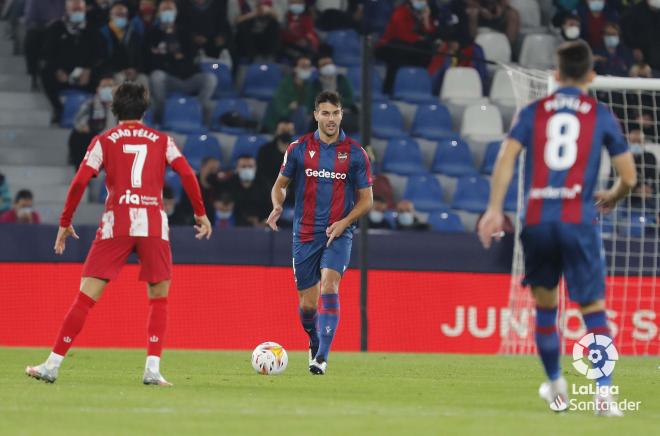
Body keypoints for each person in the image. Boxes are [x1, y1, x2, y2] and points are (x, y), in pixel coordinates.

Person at [478, 40, 637, 416]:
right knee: (593, 309)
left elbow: (506, 159)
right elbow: (629, 176)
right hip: (578, 221)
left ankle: (556, 385)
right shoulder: (600, 115)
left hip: (537, 221)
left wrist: (494, 209)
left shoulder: (534, 110)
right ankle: (604, 395)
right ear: (591, 75)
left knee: (545, 308)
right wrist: (613, 195)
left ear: (555, 74)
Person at [25, 81, 212, 386]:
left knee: (86, 297)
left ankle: (52, 364)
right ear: (145, 109)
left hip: (118, 222)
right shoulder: (162, 140)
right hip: (152, 222)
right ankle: (152, 369)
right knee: (158, 297)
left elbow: (79, 181)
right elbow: (188, 173)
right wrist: (200, 213)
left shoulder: (104, 140)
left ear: (114, 109)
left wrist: (65, 220)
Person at [266, 91, 373, 375]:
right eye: (325, 113)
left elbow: (367, 200)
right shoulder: (298, 148)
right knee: (308, 306)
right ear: (315, 115)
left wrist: (345, 221)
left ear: (341, 115)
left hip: (339, 232)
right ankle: (314, 340)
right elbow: (281, 184)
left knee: (330, 285)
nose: (330, 119)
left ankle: (321, 358)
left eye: (335, 113)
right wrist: (278, 204)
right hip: (304, 234)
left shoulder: (355, 153)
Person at [145, 0, 218, 124]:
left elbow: (191, 57)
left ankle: (195, 110)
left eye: (170, 9)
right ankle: (164, 114)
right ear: (158, 13)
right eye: (164, 10)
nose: (167, 12)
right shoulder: (152, 34)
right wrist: (175, 57)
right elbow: (152, 60)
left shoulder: (185, 32)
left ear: (176, 12)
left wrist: (172, 58)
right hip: (168, 78)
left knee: (210, 78)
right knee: (156, 76)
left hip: (187, 77)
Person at [40, 0, 100, 123]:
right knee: (46, 71)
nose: (77, 10)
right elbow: (47, 53)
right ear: (67, 9)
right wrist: (58, 70)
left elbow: (100, 53)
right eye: (74, 8)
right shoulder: (56, 27)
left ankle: (95, 111)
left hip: (86, 74)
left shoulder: (93, 28)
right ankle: (58, 109)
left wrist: (89, 70)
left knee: (103, 74)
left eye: (80, 8)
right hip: (63, 73)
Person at [68, 75, 117, 169]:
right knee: (77, 136)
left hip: (117, 142)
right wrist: (83, 126)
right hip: (96, 140)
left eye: (110, 86)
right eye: (104, 86)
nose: (107, 89)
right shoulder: (90, 104)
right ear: (98, 89)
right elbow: (79, 122)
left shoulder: (124, 107)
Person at [97, 1, 149, 89]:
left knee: (143, 79)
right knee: (120, 79)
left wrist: (135, 70)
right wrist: (120, 71)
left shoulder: (133, 34)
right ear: (111, 15)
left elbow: (140, 55)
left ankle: (142, 103)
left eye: (123, 15)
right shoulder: (102, 34)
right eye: (117, 14)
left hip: (132, 72)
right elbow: (101, 59)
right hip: (112, 72)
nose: (120, 17)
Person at [262, 55, 315, 133]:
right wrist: (290, 108)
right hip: (279, 122)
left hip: (300, 121)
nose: (307, 69)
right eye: (303, 66)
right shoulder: (285, 84)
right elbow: (279, 109)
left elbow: (310, 106)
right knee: (302, 111)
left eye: (308, 66)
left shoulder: (309, 86)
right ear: (295, 69)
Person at [217, 156, 271, 227]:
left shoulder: (264, 184)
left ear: (255, 168)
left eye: (250, 166)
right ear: (237, 168)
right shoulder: (229, 184)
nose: (247, 169)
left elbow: (271, 206)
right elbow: (225, 207)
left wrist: (264, 221)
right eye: (243, 166)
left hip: (261, 225)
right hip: (235, 226)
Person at [257, 119, 296, 187]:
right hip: (268, 189)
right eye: (283, 131)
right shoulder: (265, 150)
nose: (286, 133)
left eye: (289, 131)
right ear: (276, 131)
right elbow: (261, 174)